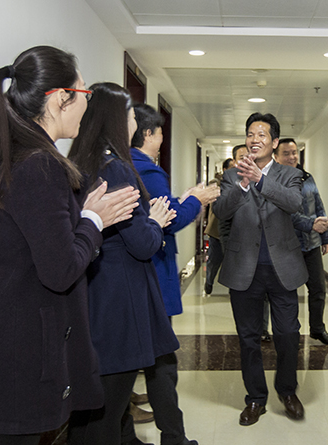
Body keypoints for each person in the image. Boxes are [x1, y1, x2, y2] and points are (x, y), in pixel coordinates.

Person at [0, 47, 140, 445]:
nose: (87, 104)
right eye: (83, 93)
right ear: (60, 97)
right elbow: (60, 269)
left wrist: (82, 216)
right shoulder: (39, 164)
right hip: (18, 357)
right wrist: (94, 220)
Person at [66, 82, 197, 445]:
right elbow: (142, 244)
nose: (134, 124)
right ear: (115, 120)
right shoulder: (117, 169)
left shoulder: (81, 163)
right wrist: (155, 220)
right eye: (129, 116)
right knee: (106, 413)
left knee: (91, 410)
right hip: (121, 300)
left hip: (94, 292)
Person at [213, 113, 308, 426]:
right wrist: (242, 184)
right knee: (248, 337)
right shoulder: (232, 175)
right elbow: (221, 211)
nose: (255, 140)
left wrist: (261, 179)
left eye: (262, 134)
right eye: (250, 134)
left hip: (283, 268)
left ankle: (287, 391)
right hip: (244, 269)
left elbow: (294, 203)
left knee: (288, 333)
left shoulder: (289, 173)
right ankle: (255, 398)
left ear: (275, 142)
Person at [130, 103, 219, 318]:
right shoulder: (148, 171)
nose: (161, 141)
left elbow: (156, 209)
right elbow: (172, 219)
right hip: (153, 265)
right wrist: (197, 200)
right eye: (160, 134)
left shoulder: (128, 163)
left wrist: (181, 200)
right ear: (148, 134)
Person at [274, 138, 328, 345]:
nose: (292, 157)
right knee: (288, 292)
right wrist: (311, 225)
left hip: (312, 242)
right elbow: (285, 213)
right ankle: (291, 332)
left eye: (294, 152)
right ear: (276, 157)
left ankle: (317, 329)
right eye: (286, 153)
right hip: (287, 245)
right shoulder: (273, 182)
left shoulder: (307, 178)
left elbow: (318, 206)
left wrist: (325, 237)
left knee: (318, 289)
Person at [204, 157, 236, 295]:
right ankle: (209, 282)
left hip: (234, 231)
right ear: (225, 170)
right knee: (214, 260)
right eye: (232, 168)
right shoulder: (217, 185)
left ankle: (233, 288)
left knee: (232, 262)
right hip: (216, 230)